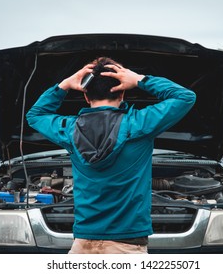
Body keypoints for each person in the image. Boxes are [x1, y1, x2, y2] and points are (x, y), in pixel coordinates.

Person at [26, 57, 196, 254]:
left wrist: (65, 84)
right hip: (128, 245)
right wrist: (140, 80)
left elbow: (35, 115)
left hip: (82, 245)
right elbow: (185, 97)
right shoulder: (140, 124)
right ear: (122, 92)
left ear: (86, 96)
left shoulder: (68, 130)